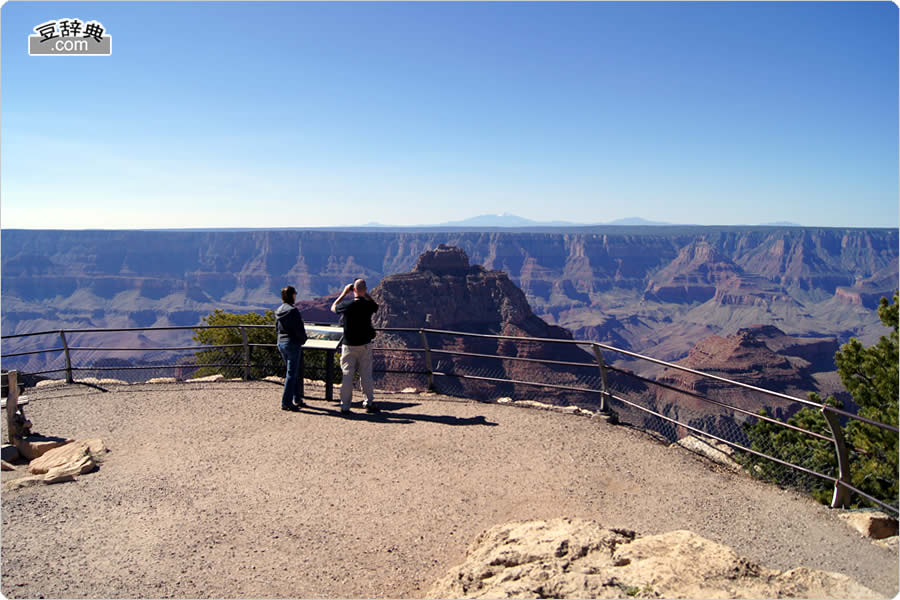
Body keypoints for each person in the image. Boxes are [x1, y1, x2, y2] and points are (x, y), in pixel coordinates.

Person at [331, 279, 379, 414]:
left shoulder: (347, 305)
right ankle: (368, 402)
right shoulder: (368, 305)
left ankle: (345, 406)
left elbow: (333, 307)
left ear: (354, 290)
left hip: (349, 345)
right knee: (366, 375)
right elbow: (376, 305)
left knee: (347, 375)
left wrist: (344, 293)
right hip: (365, 345)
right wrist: (366, 294)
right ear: (364, 289)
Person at [275, 285, 308, 412]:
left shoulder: (278, 310)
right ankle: (286, 402)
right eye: (295, 294)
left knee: (291, 372)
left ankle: (297, 399)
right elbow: (299, 328)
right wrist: (303, 340)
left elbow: (277, 328)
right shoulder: (293, 311)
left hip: (281, 343)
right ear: (292, 295)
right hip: (292, 344)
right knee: (292, 374)